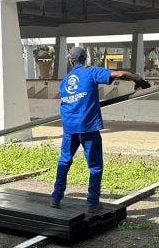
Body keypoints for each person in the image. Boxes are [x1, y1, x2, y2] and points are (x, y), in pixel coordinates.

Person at [51, 46, 151, 212]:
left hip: (69, 126)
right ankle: (92, 202)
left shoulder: (66, 80)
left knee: (64, 161)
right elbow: (119, 74)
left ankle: (56, 197)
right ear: (86, 59)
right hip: (88, 126)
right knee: (95, 166)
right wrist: (137, 78)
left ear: (70, 60)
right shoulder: (90, 72)